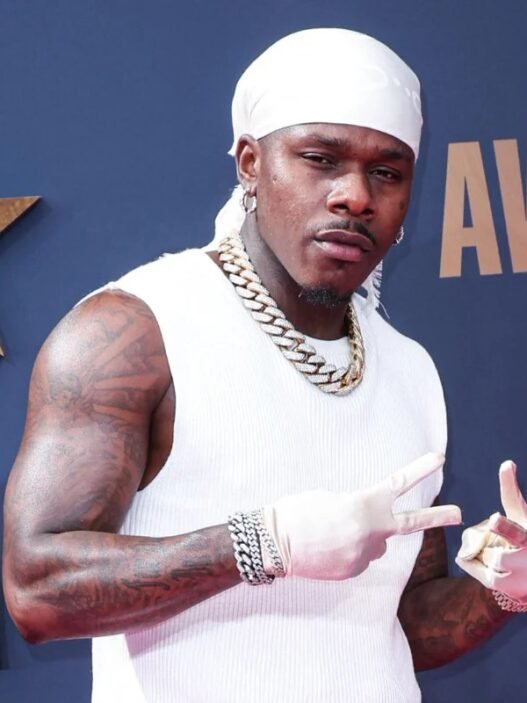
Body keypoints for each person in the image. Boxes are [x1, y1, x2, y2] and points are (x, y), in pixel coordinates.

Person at [3, 27, 527, 703]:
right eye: (320, 159)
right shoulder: (138, 329)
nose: (355, 196)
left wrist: (502, 589)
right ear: (250, 163)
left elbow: (396, 623)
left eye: (386, 172)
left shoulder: (409, 368)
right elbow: (37, 590)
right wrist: (264, 544)